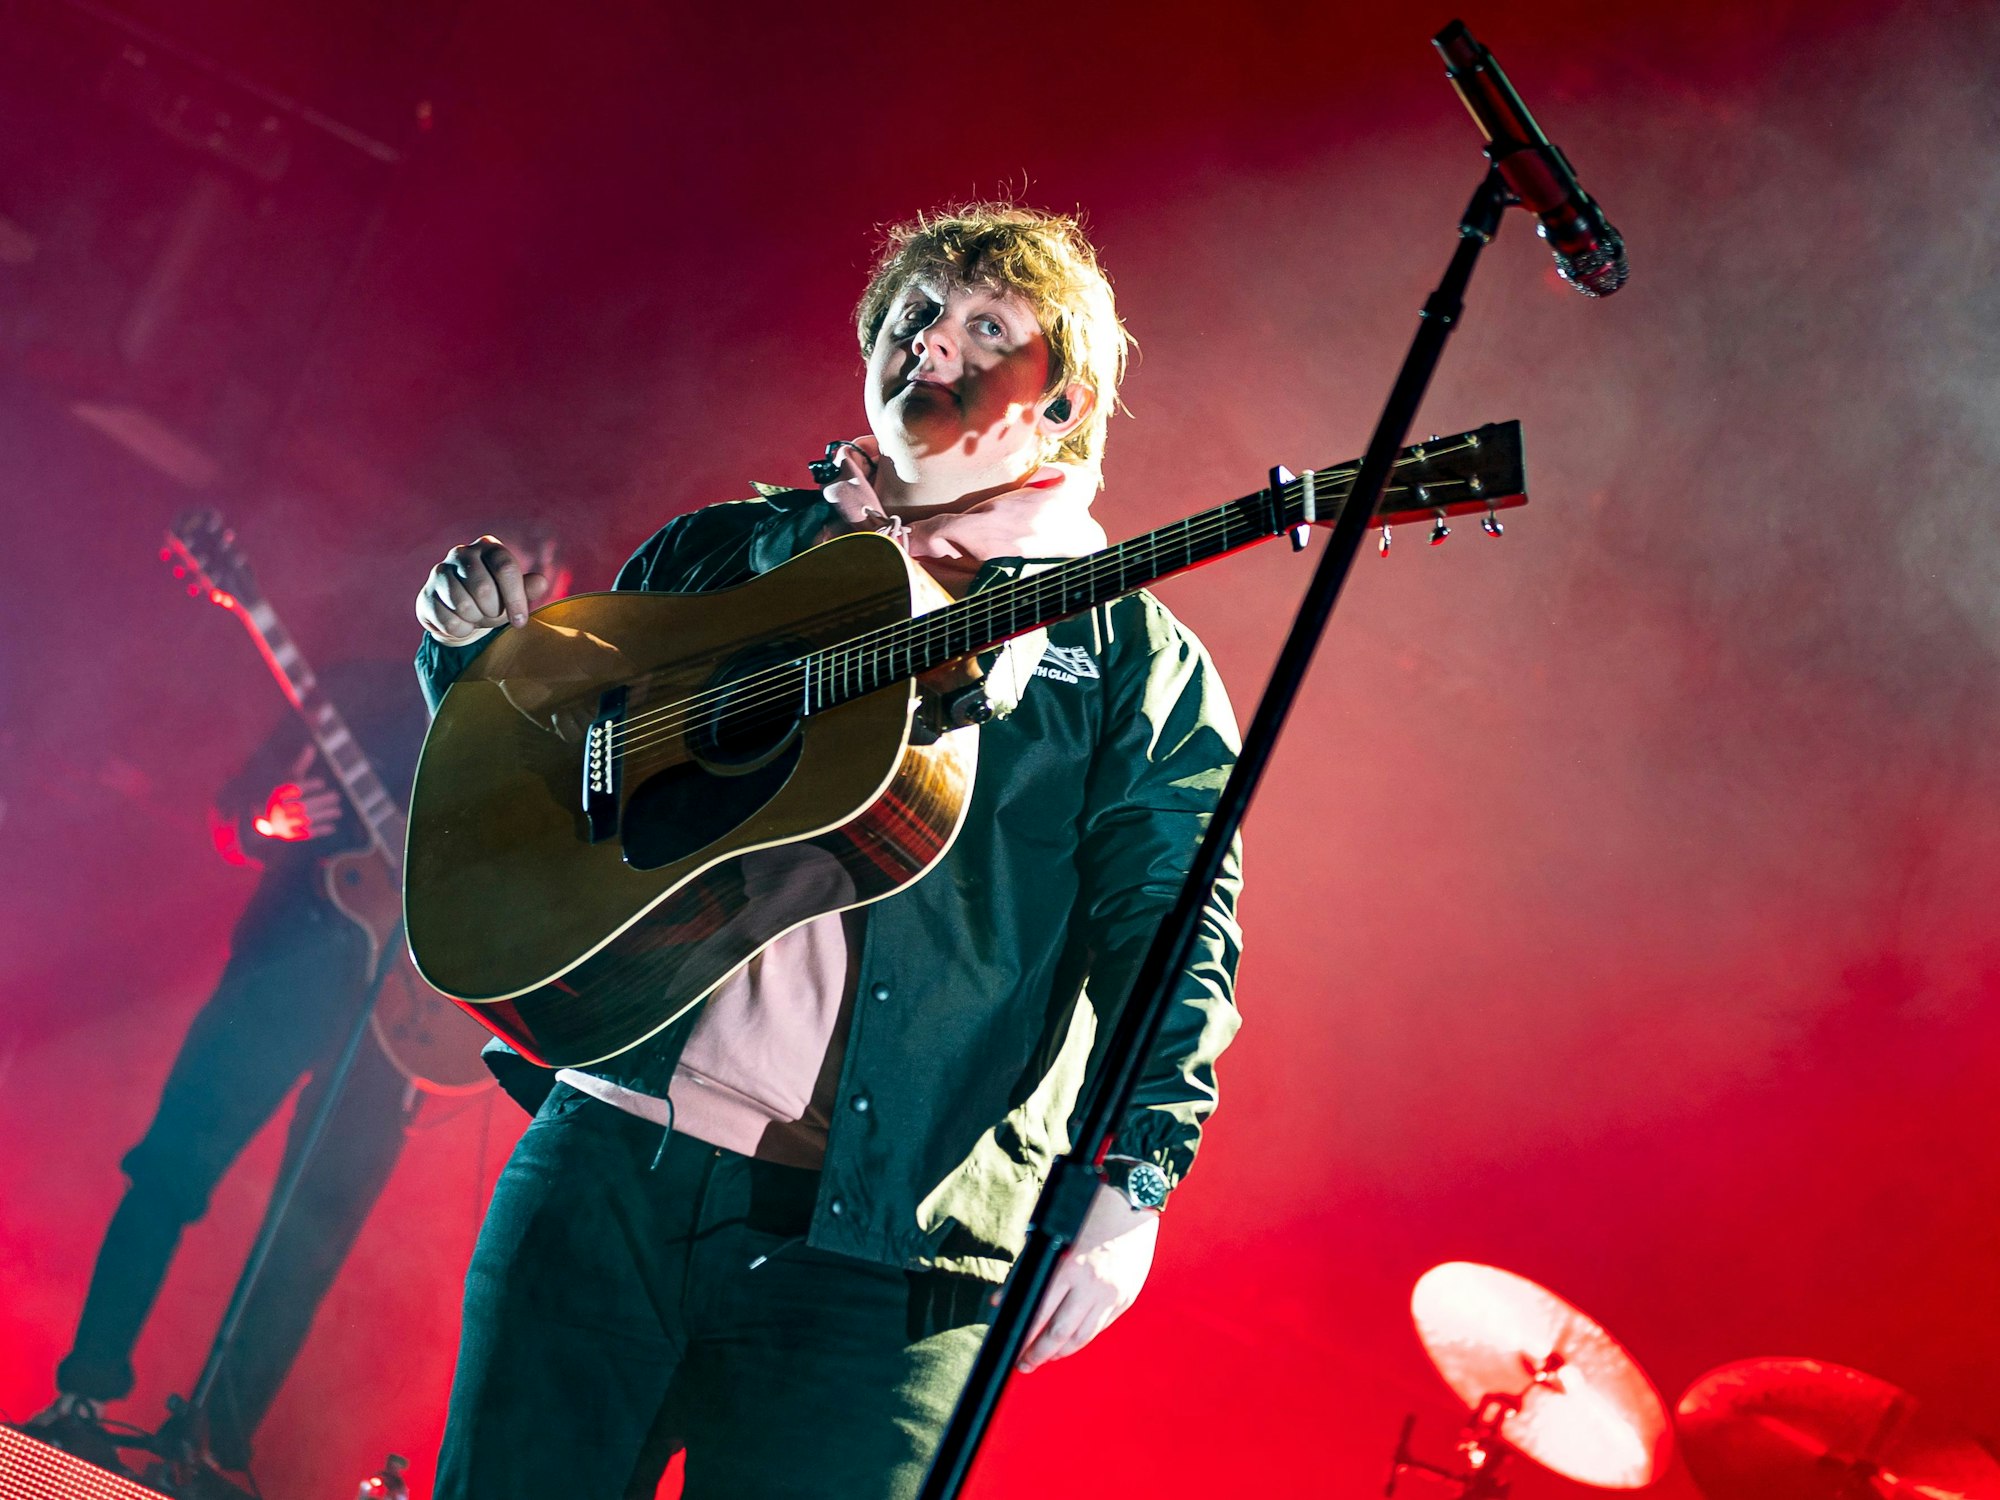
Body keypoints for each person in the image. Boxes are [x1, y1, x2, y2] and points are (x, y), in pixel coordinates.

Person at [413, 204, 1244, 1500]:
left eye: (987, 326)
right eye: (915, 310)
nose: (936, 340)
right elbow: (565, 787)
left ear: (1064, 402)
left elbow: (1174, 928)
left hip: (885, 1267)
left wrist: (1136, 1177)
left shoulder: (1127, 661)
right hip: (607, 1169)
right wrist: (471, 664)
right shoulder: (729, 552)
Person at [32, 659, 429, 1474]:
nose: (522, 575)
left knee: (308, 1241)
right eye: (508, 548)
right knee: (168, 1170)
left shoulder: (528, 736)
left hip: (401, 1020)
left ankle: (216, 1449)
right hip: (286, 967)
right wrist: (269, 820)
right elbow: (233, 813)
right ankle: (83, 1393)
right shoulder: (361, 689)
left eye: (541, 564)